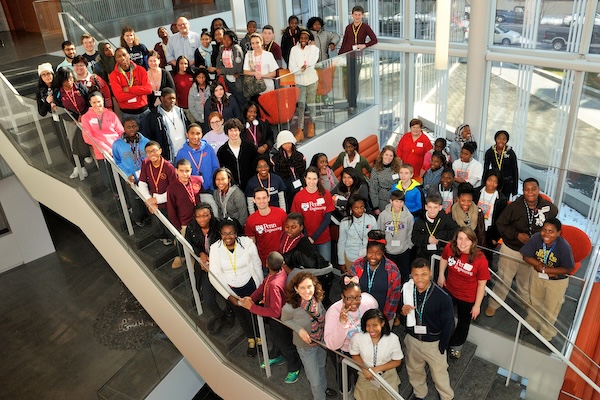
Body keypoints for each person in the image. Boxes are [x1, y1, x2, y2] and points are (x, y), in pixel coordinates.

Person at [485, 178, 559, 317]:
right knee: (504, 279)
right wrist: (516, 235)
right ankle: (494, 303)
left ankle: (523, 300)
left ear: (538, 190)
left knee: (525, 280)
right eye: (526, 189)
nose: (530, 192)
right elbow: (501, 224)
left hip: (531, 252)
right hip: (512, 248)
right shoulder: (514, 206)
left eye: (533, 189)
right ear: (523, 191)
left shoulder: (546, 207)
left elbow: (555, 213)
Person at [240, 251, 302, 384]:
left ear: (266, 264)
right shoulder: (276, 274)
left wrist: (252, 308)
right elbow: (264, 285)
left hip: (280, 321)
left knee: (286, 344)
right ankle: (277, 355)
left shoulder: (275, 284)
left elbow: (275, 312)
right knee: (275, 339)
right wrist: (251, 298)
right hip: (276, 320)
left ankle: (294, 367)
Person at [399, 258, 454, 400]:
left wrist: (442, 347)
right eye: (416, 275)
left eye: (423, 274)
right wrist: (403, 313)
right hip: (412, 340)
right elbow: (404, 316)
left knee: (439, 374)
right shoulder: (407, 290)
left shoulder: (443, 297)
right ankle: (419, 394)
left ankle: (446, 397)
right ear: (411, 275)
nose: (419, 279)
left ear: (430, 273)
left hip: (433, 344)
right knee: (414, 370)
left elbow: (448, 325)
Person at [209, 219, 263, 357]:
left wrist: (260, 289)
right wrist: (229, 296)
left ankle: (260, 338)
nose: (228, 237)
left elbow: (257, 264)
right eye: (224, 233)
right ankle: (251, 339)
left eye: (231, 233)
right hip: (231, 290)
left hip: (250, 286)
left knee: (254, 313)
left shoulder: (247, 243)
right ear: (220, 234)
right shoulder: (215, 248)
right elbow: (213, 275)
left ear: (236, 233)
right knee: (242, 316)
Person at [437, 227, 490, 359]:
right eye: (460, 238)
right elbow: (444, 258)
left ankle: (456, 346)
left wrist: (477, 305)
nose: (463, 242)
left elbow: (482, 284)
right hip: (450, 289)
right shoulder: (450, 247)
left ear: (473, 242)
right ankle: (440, 337)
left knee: (463, 322)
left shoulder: (480, 259)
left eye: (467, 239)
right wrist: (441, 275)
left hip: (467, 297)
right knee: (442, 315)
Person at [520, 217, 574, 341]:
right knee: (535, 302)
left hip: (557, 282)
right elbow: (525, 256)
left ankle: (546, 335)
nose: (546, 234)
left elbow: (568, 269)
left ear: (558, 233)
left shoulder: (564, 247)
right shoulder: (536, 238)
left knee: (551, 309)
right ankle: (532, 325)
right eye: (544, 230)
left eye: (551, 231)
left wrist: (546, 270)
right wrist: (538, 266)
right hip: (537, 276)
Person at [281, 272, 332, 400]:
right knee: (314, 379)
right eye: (302, 288)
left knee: (321, 367)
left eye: (309, 286)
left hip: (321, 341)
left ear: (314, 286)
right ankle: (319, 397)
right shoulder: (290, 307)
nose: (307, 291)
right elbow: (284, 320)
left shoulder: (317, 299)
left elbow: (323, 314)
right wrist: (299, 330)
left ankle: (323, 389)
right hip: (305, 347)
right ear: (296, 289)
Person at [324, 276, 378, 395]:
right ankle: (346, 394)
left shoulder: (368, 303)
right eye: (349, 298)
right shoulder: (333, 312)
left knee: (360, 377)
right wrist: (342, 324)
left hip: (363, 351)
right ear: (342, 297)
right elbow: (331, 344)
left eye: (358, 297)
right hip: (343, 352)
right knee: (344, 377)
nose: (355, 302)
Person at [185, 202, 231, 334]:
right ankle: (220, 316)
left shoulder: (219, 226)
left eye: (205, 215)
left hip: (222, 266)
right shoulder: (191, 228)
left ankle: (230, 313)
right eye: (198, 216)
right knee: (209, 299)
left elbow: (227, 245)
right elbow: (189, 244)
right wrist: (200, 254)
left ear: (211, 215)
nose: (202, 219)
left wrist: (213, 262)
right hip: (204, 268)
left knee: (227, 294)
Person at [350, 309, 403, 400]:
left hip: (387, 377)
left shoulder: (393, 339)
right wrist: (365, 369)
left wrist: (376, 369)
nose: (371, 329)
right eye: (368, 325)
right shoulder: (358, 338)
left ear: (382, 323)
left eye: (375, 325)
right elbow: (355, 354)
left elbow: (397, 361)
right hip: (366, 377)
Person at [349, 230, 401, 323]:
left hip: (383, 315)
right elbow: (349, 291)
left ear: (383, 253)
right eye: (370, 252)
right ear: (366, 250)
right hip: (359, 315)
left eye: (378, 253)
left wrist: (384, 318)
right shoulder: (357, 266)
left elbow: (394, 297)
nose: (373, 257)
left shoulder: (392, 270)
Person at [52, 67, 92, 179]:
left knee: (86, 138)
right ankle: (80, 166)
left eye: (70, 78)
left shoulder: (79, 86)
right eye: (66, 80)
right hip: (70, 121)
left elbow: (89, 101)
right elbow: (59, 109)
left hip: (85, 117)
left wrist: (83, 115)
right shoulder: (58, 93)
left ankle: (87, 154)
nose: (69, 82)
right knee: (73, 141)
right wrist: (72, 120)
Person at [291, 166, 335, 263]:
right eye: (309, 178)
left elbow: (327, 220)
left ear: (318, 179)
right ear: (305, 178)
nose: (311, 181)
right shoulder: (299, 197)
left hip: (323, 239)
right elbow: (297, 220)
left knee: (326, 268)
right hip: (306, 240)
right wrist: (307, 238)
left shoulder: (326, 194)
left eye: (314, 179)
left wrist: (313, 238)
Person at [338, 6, 378, 113]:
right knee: (348, 80)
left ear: (362, 15)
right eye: (355, 14)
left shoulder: (365, 27)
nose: (357, 17)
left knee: (354, 80)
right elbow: (344, 42)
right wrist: (339, 55)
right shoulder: (348, 27)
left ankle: (353, 104)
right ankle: (349, 103)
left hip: (358, 57)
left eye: (359, 15)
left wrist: (365, 45)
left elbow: (374, 40)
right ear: (352, 15)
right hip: (348, 55)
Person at [137, 140, 177, 245]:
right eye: (148, 152)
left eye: (154, 151)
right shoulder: (146, 163)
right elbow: (142, 183)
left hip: (167, 202)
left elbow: (173, 190)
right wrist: (149, 200)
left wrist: (156, 200)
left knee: (170, 225)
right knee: (157, 226)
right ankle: (163, 237)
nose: (152, 154)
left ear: (160, 151)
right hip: (153, 202)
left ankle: (173, 240)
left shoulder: (169, 167)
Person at [80, 92, 122, 192]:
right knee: (109, 181)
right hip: (102, 154)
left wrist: (116, 148)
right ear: (90, 103)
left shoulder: (111, 114)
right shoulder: (85, 118)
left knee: (122, 179)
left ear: (103, 100)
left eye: (99, 101)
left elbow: (121, 132)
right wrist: (107, 149)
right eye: (94, 102)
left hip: (117, 151)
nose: (97, 104)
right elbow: (88, 137)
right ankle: (118, 199)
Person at [112, 117, 150, 226]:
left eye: (134, 126)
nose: (131, 129)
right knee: (135, 199)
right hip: (130, 177)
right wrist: (128, 174)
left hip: (145, 175)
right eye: (128, 127)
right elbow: (118, 162)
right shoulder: (117, 144)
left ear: (138, 127)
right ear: (124, 128)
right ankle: (138, 218)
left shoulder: (146, 142)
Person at [167, 158, 202, 268]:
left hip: (200, 220)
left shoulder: (197, 180)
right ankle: (186, 262)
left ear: (191, 170)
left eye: (187, 171)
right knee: (187, 246)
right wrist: (178, 227)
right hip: (184, 224)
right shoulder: (172, 188)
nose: (184, 174)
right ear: (176, 171)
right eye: (181, 171)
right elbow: (172, 210)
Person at [175, 123, 219, 211]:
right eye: (192, 133)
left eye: (198, 133)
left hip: (208, 189)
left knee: (214, 211)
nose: (195, 136)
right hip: (189, 192)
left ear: (202, 134)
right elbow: (178, 174)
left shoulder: (208, 149)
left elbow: (215, 167)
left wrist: (212, 185)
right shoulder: (181, 152)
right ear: (187, 135)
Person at [109, 48, 152, 129]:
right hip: (128, 115)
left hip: (145, 112)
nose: (122, 58)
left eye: (124, 55)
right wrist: (139, 91)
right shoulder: (114, 75)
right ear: (116, 59)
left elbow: (149, 89)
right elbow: (120, 97)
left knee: (151, 140)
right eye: (119, 56)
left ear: (128, 55)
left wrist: (129, 89)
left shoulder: (140, 70)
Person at [288, 29, 320, 140]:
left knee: (311, 104)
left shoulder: (313, 49)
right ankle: (300, 130)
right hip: (299, 81)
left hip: (312, 80)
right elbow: (291, 67)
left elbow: (313, 61)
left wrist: (312, 46)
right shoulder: (294, 50)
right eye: (301, 38)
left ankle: (312, 125)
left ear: (309, 39)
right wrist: (300, 70)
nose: (303, 40)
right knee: (301, 105)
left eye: (306, 38)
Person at [279, 212, 332, 277]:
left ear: (301, 227)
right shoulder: (283, 235)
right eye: (287, 226)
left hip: (293, 276)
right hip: (281, 272)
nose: (289, 230)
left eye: (293, 227)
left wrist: (284, 266)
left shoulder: (303, 245)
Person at [244, 187, 288, 267]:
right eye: (258, 198)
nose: (261, 201)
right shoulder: (251, 220)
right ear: (253, 200)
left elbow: (288, 235)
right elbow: (252, 243)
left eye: (264, 198)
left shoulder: (280, 213)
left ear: (268, 198)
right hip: (264, 262)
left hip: (283, 259)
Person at [378, 190, 414, 284]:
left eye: (401, 201)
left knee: (404, 276)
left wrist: (408, 246)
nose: (398, 204)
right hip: (388, 251)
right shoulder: (383, 215)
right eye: (396, 201)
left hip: (403, 251)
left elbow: (411, 232)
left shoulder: (408, 217)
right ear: (391, 201)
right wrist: (383, 248)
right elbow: (380, 231)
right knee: (389, 276)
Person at [145, 87, 190, 161]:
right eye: (169, 98)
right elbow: (150, 137)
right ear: (162, 99)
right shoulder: (154, 116)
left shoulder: (180, 112)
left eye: (174, 98)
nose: (172, 101)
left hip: (185, 153)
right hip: (168, 157)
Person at [411, 192, 458, 264]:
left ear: (440, 207)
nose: (432, 210)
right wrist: (427, 239)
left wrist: (440, 236)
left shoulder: (445, 218)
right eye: (430, 207)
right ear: (426, 207)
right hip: (423, 254)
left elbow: (455, 230)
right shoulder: (420, 220)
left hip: (440, 253)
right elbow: (414, 238)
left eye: (435, 207)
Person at [473, 169, 508, 263]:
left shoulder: (501, 199)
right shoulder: (476, 192)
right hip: (474, 228)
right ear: (485, 179)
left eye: (495, 182)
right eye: (490, 180)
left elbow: (501, 220)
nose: (491, 184)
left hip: (489, 232)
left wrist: (495, 237)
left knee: (485, 258)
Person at [217, 118, 258, 191]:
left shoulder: (250, 147)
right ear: (227, 132)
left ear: (240, 131)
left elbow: (256, 166)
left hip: (251, 186)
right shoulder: (222, 151)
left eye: (235, 130)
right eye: (231, 130)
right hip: (232, 189)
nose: (233, 133)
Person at [338, 195, 377, 271]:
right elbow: (341, 243)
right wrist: (341, 262)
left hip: (367, 257)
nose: (359, 210)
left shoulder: (371, 219)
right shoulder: (345, 222)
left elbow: (375, 240)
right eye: (356, 208)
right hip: (351, 256)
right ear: (351, 209)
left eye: (362, 207)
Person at [272, 130, 306, 210]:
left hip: (300, 187)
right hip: (285, 191)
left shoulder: (300, 156)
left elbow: (303, 172)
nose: (287, 145)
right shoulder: (275, 159)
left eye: (289, 142)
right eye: (284, 143)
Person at [483, 130, 519, 199]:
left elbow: (515, 170)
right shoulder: (490, 152)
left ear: (507, 140)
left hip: (507, 183)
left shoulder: (510, 153)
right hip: (494, 182)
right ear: (495, 139)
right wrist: (484, 184)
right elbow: (486, 169)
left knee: (504, 202)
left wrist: (515, 188)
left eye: (504, 139)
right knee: (493, 200)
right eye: (499, 138)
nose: (501, 141)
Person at [242, 33, 279, 98]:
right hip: (253, 88)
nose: (255, 45)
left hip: (267, 87)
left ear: (261, 42)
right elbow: (245, 71)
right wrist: (254, 73)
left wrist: (262, 76)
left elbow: (273, 73)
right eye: (253, 43)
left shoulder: (268, 55)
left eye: (257, 42)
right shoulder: (248, 55)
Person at [450, 182, 486, 247]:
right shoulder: (452, 212)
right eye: (463, 200)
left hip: (473, 248)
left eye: (469, 201)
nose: (466, 204)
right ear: (458, 199)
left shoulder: (479, 212)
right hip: (457, 247)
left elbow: (481, 235)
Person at [369, 145, 401, 215]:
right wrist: (375, 207)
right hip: (382, 200)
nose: (388, 157)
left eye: (391, 156)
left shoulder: (398, 168)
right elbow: (373, 190)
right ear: (382, 155)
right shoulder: (375, 170)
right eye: (386, 155)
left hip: (396, 198)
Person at [216, 30, 245, 105]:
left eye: (228, 39)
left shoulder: (236, 48)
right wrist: (228, 71)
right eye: (224, 39)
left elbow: (236, 69)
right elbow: (218, 65)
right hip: (228, 81)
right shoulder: (222, 48)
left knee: (241, 102)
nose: (226, 41)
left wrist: (223, 71)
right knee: (233, 102)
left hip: (238, 82)